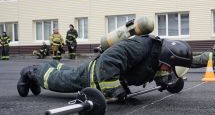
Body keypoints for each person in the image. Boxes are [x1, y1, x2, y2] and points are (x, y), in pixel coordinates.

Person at [17, 17, 193, 100]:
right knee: (55, 81)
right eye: (168, 70)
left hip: (97, 69)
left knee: (66, 70)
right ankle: (31, 72)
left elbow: (154, 68)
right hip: (93, 77)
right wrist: (113, 90)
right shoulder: (139, 47)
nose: (167, 72)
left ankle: (52, 64)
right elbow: (110, 61)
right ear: (166, 60)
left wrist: (166, 80)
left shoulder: (158, 55)